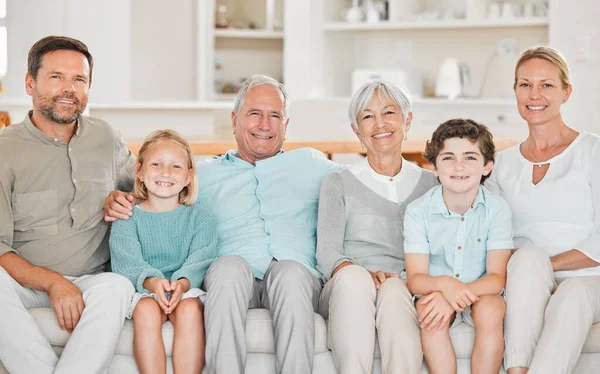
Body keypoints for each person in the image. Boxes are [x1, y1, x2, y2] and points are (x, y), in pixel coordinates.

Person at [104, 74, 342, 374]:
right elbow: (153, 185)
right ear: (234, 119)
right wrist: (117, 197)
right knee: (228, 265)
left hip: (295, 278)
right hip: (231, 277)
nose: (265, 124)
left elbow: (364, 185)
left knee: (290, 271)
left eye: (275, 116)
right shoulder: (202, 173)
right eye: (254, 113)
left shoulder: (311, 163)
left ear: (286, 124)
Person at [0, 36, 135, 373]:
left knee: (118, 287)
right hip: (24, 283)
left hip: (93, 279)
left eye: (79, 79)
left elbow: (147, 189)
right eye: (56, 77)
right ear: (30, 82)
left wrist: (127, 200)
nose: (69, 89)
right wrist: (53, 283)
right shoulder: (5, 150)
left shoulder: (107, 137)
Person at [485, 45, 600, 374]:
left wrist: (544, 271)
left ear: (567, 92)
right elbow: (493, 235)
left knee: (570, 291)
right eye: (525, 84)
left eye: (547, 85)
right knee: (527, 256)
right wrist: (530, 272)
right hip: (524, 280)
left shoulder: (593, 151)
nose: (535, 94)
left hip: (589, 280)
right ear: (515, 91)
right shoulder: (501, 165)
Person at [315, 80, 436, 374]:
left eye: (389, 112)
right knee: (356, 281)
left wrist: (404, 279)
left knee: (395, 290)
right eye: (368, 116)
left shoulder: (432, 185)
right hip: (348, 283)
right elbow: (327, 253)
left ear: (407, 120)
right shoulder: (337, 183)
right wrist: (366, 275)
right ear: (357, 131)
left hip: (405, 285)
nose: (379, 124)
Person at [404, 119, 513, 374]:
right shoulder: (418, 211)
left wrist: (456, 296)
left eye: (470, 158)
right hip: (435, 290)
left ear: (487, 166)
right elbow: (416, 279)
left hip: (481, 290)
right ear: (434, 166)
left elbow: (497, 278)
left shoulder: (497, 209)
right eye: (448, 158)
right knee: (430, 313)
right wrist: (445, 287)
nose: (459, 166)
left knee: (491, 309)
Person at [109, 129, 217, 374]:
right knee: (146, 310)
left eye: (176, 167)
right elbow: (126, 260)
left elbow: (203, 256)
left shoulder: (201, 216)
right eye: (156, 164)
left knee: (190, 310)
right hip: (145, 287)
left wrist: (181, 284)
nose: (166, 172)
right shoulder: (127, 217)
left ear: (189, 176)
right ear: (140, 171)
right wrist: (153, 282)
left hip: (186, 287)